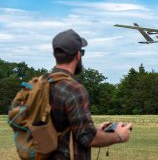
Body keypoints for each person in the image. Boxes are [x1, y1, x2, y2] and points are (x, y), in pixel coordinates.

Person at [48, 29, 132, 160]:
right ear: (78, 55)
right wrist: (119, 136)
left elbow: (57, 128)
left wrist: (96, 130)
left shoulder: (40, 83)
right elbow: (88, 138)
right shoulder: (74, 89)